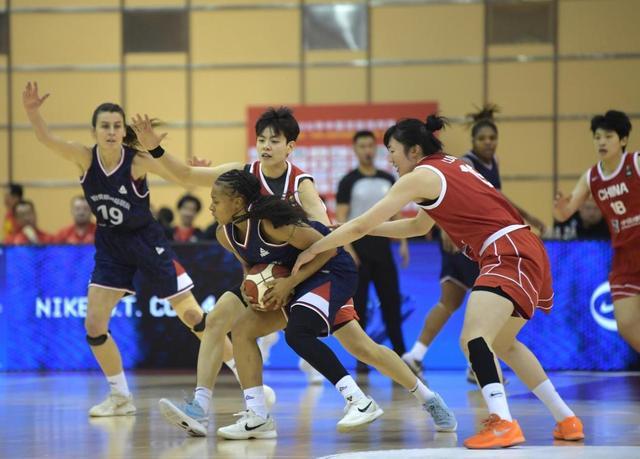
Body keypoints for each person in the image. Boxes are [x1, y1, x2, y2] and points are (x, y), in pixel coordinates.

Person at [293, 114, 583, 449]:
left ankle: (503, 422)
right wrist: (356, 229)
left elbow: (360, 226)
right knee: (505, 343)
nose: (390, 159)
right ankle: (566, 419)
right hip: (523, 246)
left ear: (414, 151)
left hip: (506, 250)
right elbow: (417, 227)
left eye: (393, 150)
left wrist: (316, 247)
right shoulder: (448, 165)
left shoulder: (419, 176)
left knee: (474, 338)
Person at [159, 170, 456, 438]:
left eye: (215, 201)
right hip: (293, 282)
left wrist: (288, 283)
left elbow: (327, 250)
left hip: (329, 271)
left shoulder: (272, 223)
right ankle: (255, 415)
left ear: (237, 202)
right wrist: (250, 289)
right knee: (242, 329)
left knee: (329, 341)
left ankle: (376, 400)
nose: (210, 207)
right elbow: (249, 266)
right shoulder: (225, 234)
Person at [22, 81, 209, 417]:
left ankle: (248, 381)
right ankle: (120, 396)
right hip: (111, 245)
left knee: (193, 316)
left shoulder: (137, 161)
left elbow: (182, 176)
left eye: (116, 126)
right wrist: (33, 113)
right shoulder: (84, 157)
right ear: (94, 131)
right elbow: (46, 139)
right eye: (104, 126)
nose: (110, 131)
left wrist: (198, 168)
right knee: (94, 324)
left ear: (124, 131)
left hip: (146, 241)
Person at [131, 108, 328, 389]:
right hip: (262, 269)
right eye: (261, 140)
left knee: (348, 341)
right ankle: (214, 399)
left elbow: (324, 234)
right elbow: (187, 174)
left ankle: (341, 383)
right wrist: (154, 148)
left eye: (274, 141)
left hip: (298, 273)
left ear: (290, 147)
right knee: (222, 321)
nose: (266, 146)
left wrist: (297, 276)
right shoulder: (242, 174)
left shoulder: (301, 184)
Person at [401, 106, 545, 383]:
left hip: (479, 241)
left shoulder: (493, 163)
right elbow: (450, 199)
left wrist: (528, 217)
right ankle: (473, 361)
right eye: (482, 138)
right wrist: (445, 229)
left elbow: (496, 200)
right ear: (473, 141)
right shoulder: (466, 162)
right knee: (477, 301)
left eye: (492, 138)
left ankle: (418, 355)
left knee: (453, 300)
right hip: (470, 242)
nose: (488, 143)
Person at [554, 110, 639, 352]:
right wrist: (560, 207)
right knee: (626, 324)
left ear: (623, 140)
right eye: (597, 137)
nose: (601, 142)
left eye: (608, 136)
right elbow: (565, 213)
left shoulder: (635, 162)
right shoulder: (591, 177)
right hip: (624, 256)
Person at [335, 130, 409, 369]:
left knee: (391, 303)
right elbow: (341, 218)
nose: (367, 150)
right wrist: (348, 250)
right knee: (359, 305)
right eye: (362, 146)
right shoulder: (348, 181)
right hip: (358, 251)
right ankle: (362, 360)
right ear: (355, 150)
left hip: (383, 248)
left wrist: (403, 243)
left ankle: (401, 356)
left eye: (370, 145)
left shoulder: (387, 179)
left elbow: (396, 213)